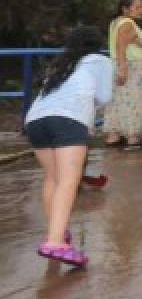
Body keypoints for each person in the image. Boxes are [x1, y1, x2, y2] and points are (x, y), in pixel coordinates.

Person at [23, 26, 113, 268]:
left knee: (52, 178)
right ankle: (54, 241)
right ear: (97, 45)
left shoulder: (60, 64)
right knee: (68, 181)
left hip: (35, 120)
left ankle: (57, 232)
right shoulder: (99, 60)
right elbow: (104, 97)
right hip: (68, 120)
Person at [103, 0, 142, 149]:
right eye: (137, 7)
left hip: (121, 65)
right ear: (125, 8)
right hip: (133, 68)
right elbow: (121, 47)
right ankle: (133, 138)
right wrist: (123, 69)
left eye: (141, 7)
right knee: (135, 102)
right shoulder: (128, 23)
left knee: (118, 102)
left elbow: (124, 44)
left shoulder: (116, 22)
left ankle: (114, 136)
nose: (141, 10)